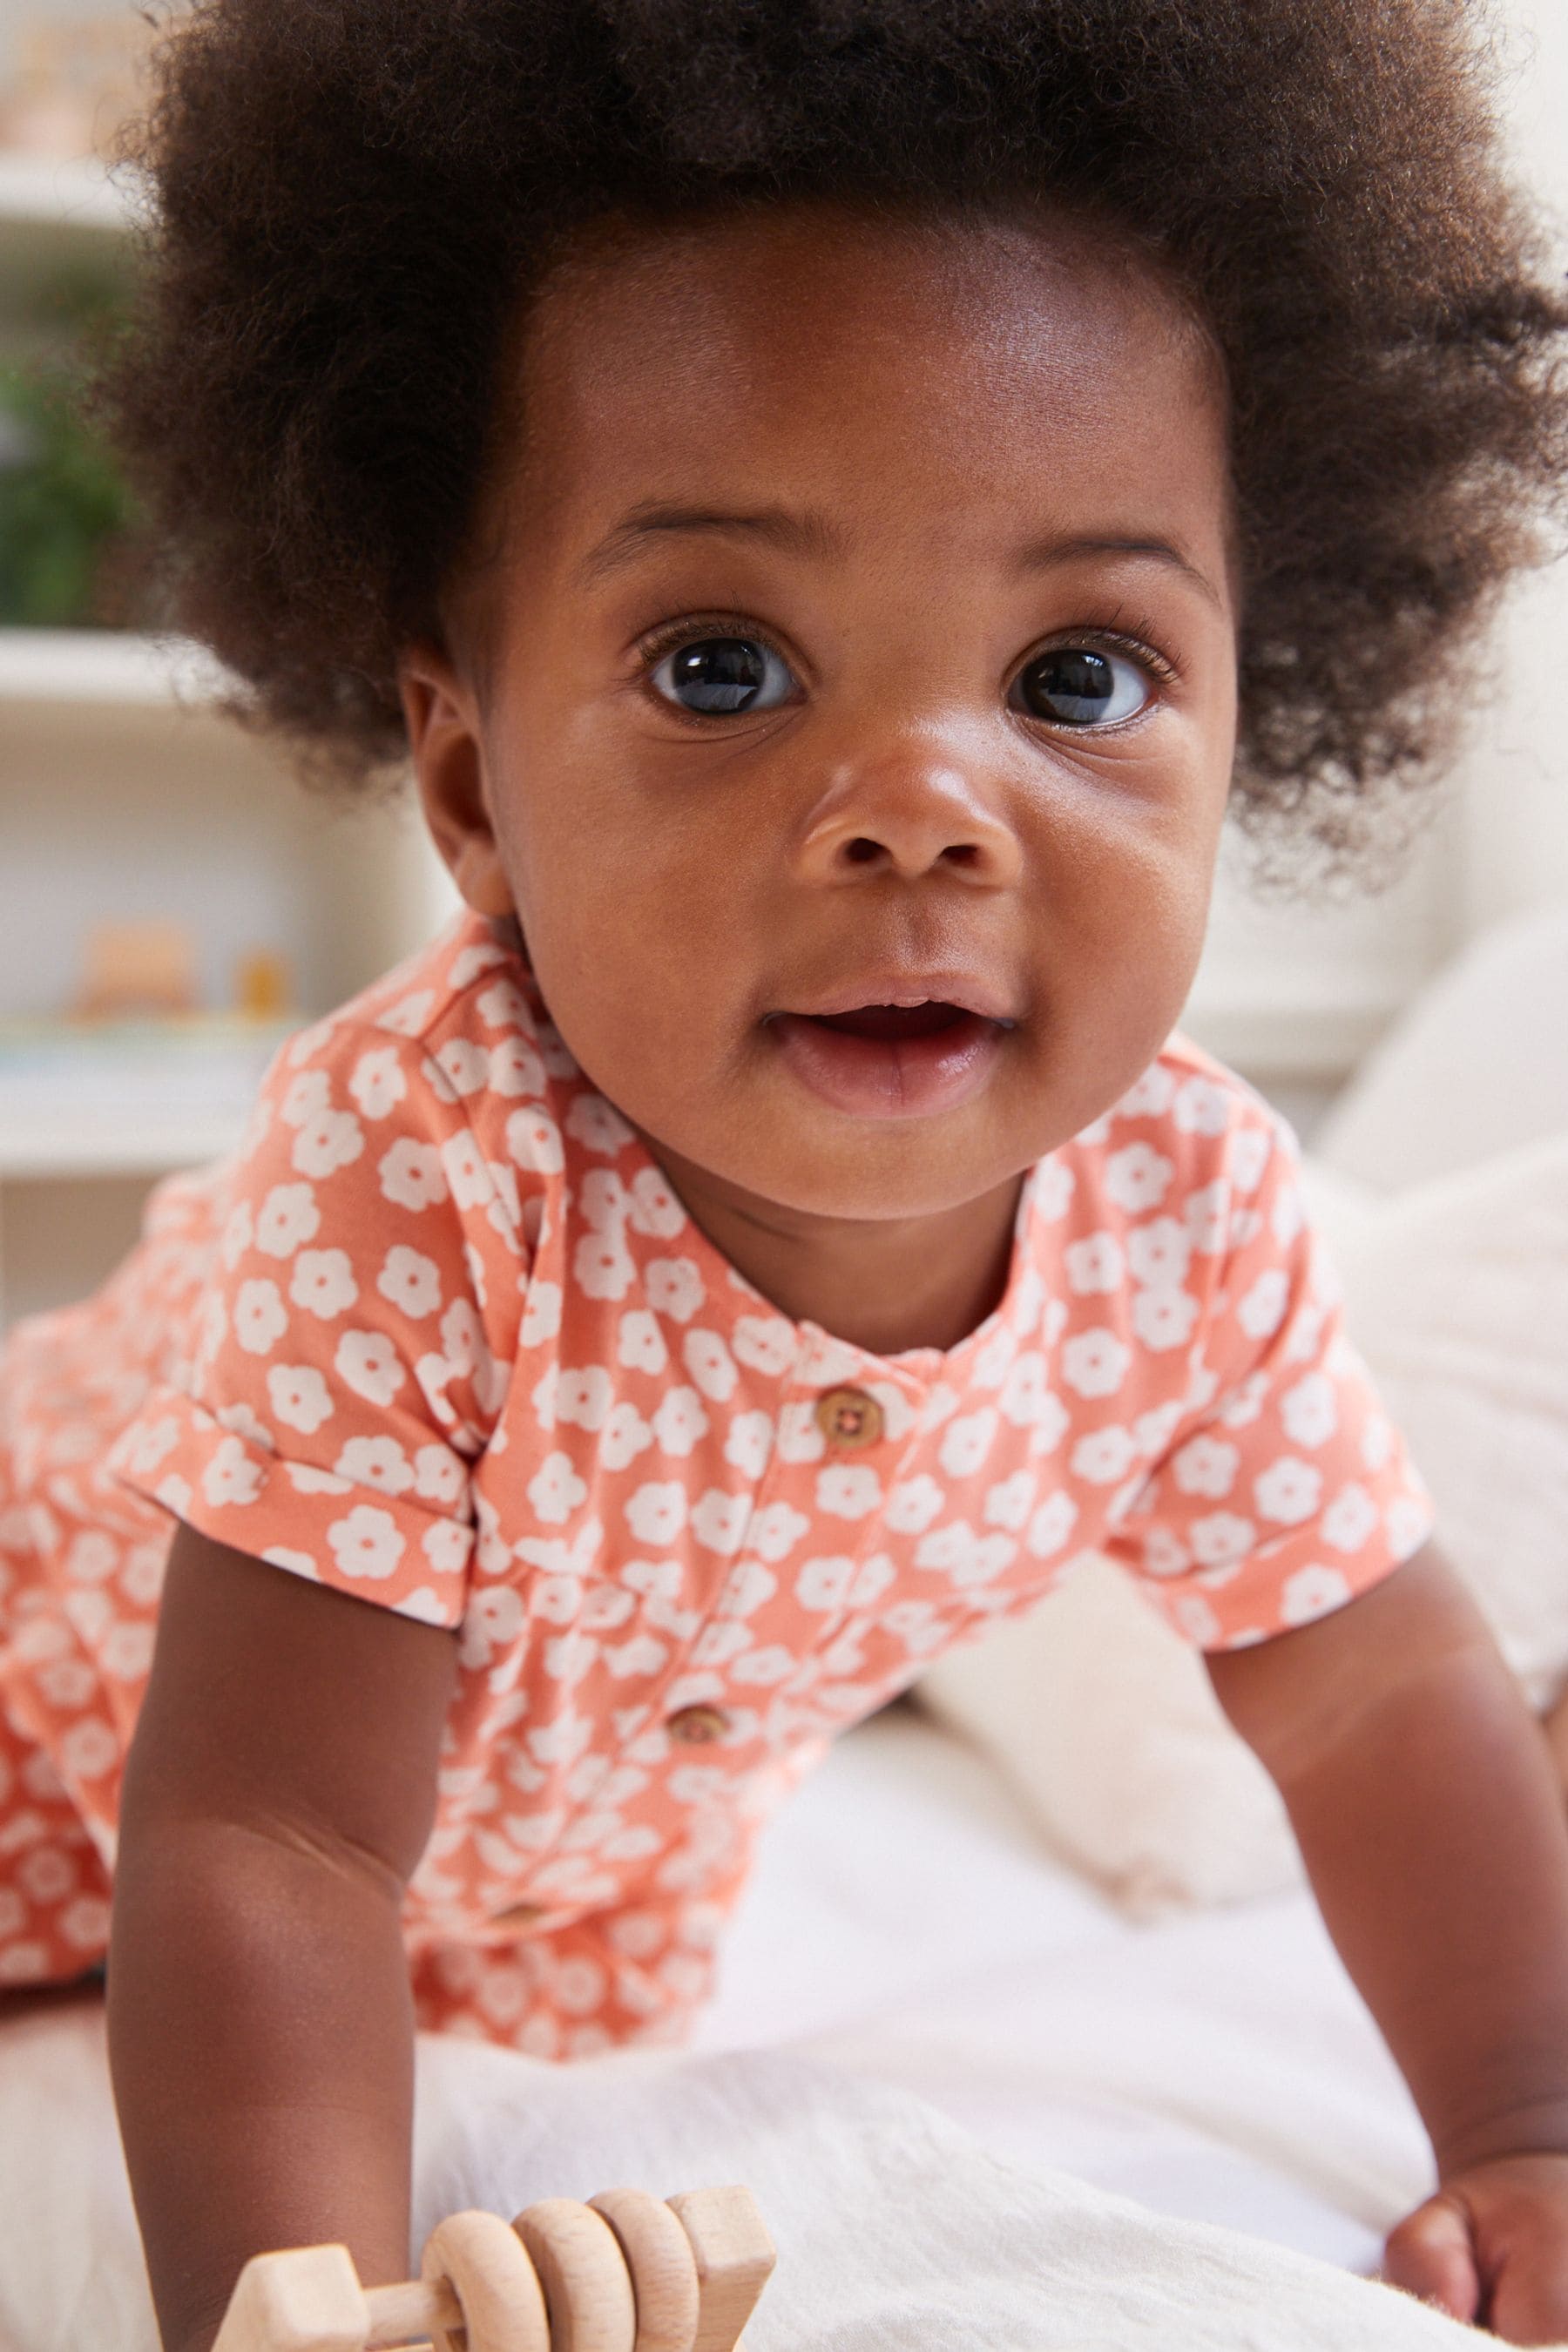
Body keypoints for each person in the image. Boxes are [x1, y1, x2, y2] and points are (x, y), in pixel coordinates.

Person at [3, 1, 1566, 2343]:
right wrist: (294, 2303)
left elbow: (1371, 1696)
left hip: (531, 1923)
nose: (922, 802)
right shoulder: (435, 1165)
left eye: (1077, 676)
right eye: (727, 664)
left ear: (1262, 700)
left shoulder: (1190, 1221)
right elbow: (275, 1833)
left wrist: (1529, 2130)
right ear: (462, 778)